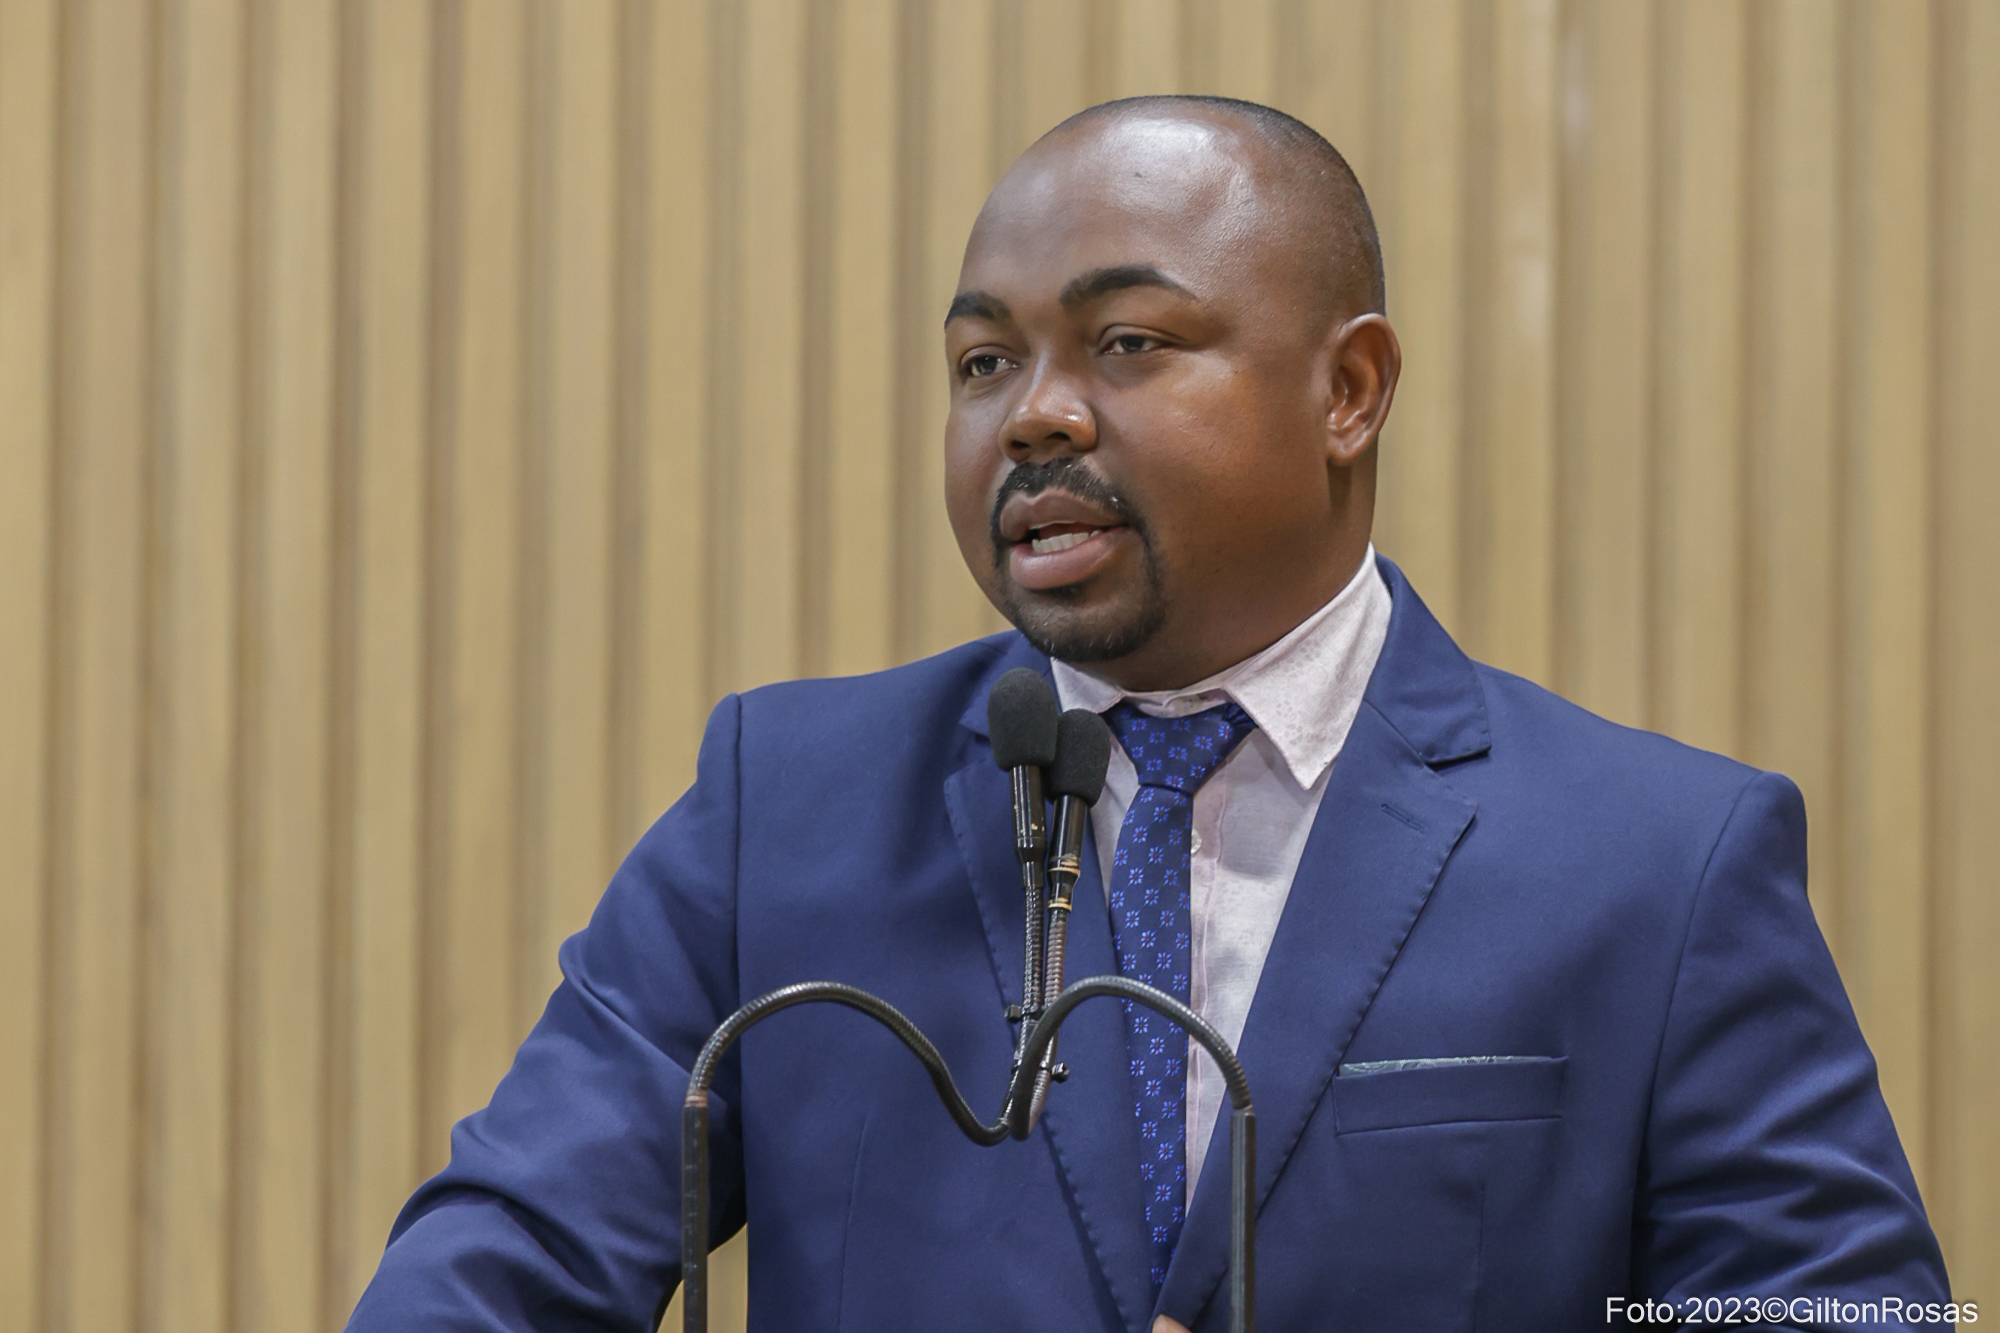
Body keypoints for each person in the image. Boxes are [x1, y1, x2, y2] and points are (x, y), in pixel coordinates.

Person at [347, 97, 1950, 1332]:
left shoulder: (1660, 860)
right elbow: (499, 1264)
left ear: (1349, 390)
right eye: (985, 361)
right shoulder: (782, 809)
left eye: (1127, 343)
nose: (1034, 414)